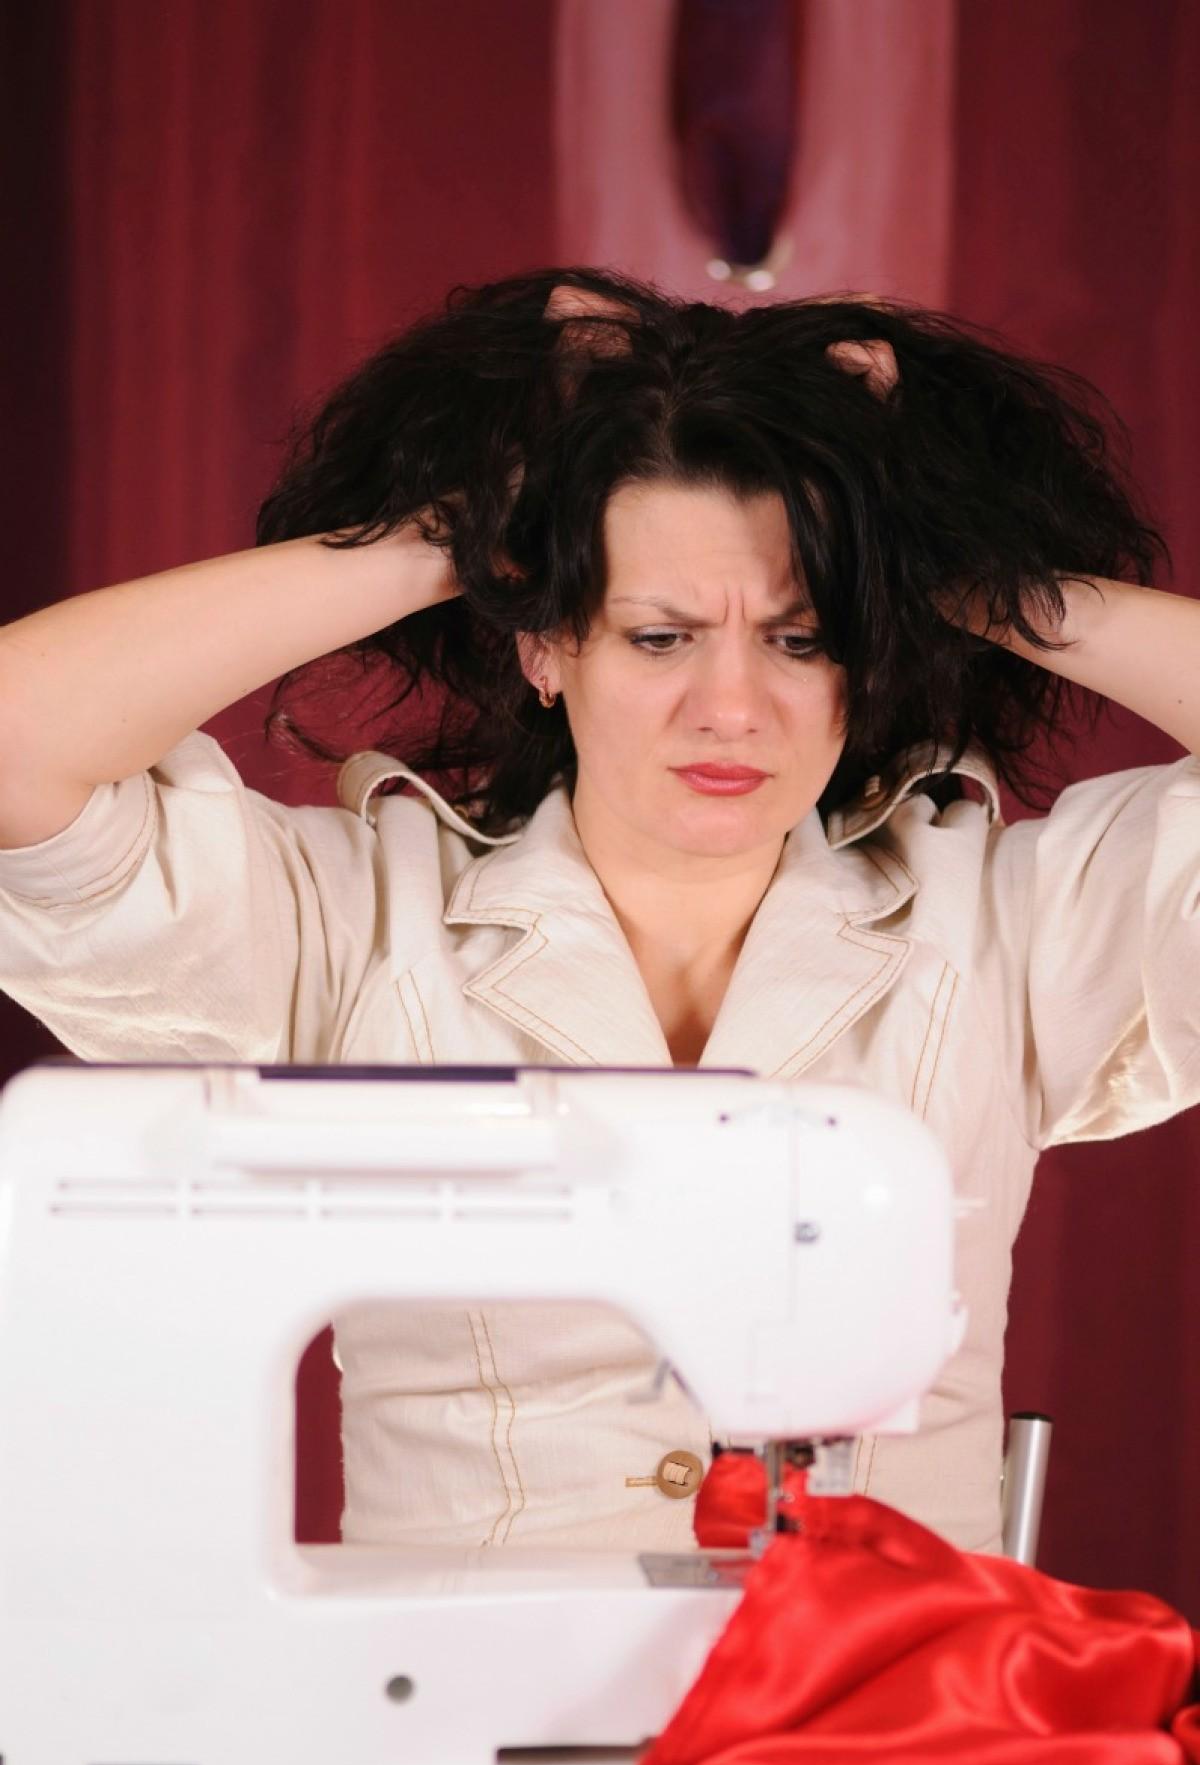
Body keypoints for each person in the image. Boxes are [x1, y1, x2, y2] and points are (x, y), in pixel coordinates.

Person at [1, 266, 1197, 1557]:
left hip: (886, 1683)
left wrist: (955, 565)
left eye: (800, 639)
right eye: (658, 637)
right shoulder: (354, 921)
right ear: (544, 643)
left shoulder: (1003, 924)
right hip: (449, 1681)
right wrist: (463, 533)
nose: (731, 708)